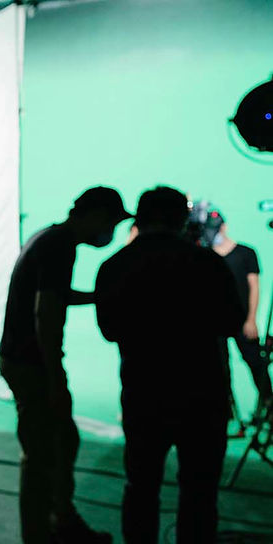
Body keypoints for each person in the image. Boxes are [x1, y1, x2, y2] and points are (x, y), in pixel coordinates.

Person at [94, 186, 245, 544]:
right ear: (182, 219)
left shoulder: (116, 265)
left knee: (141, 488)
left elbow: (110, 329)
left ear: (140, 218)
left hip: (144, 394)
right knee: (200, 492)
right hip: (203, 396)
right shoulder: (208, 264)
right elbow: (231, 322)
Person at [0, 186, 131, 544]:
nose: (110, 233)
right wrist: (55, 375)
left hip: (22, 358)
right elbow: (46, 312)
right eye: (111, 223)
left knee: (63, 441)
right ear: (96, 215)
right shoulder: (60, 245)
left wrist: (96, 297)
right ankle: (40, 534)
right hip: (31, 364)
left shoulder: (49, 237)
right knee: (41, 455)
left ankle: (62, 520)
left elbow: (54, 294)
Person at [209, 211, 273, 421]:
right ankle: (228, 415)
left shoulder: (245, 253)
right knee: (220, 371)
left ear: (224, 227)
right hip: (215, 324)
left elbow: (254, 286)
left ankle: (269, 406)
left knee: (256, 363)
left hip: (242, 320)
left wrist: (251, 319)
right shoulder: (205, 257)